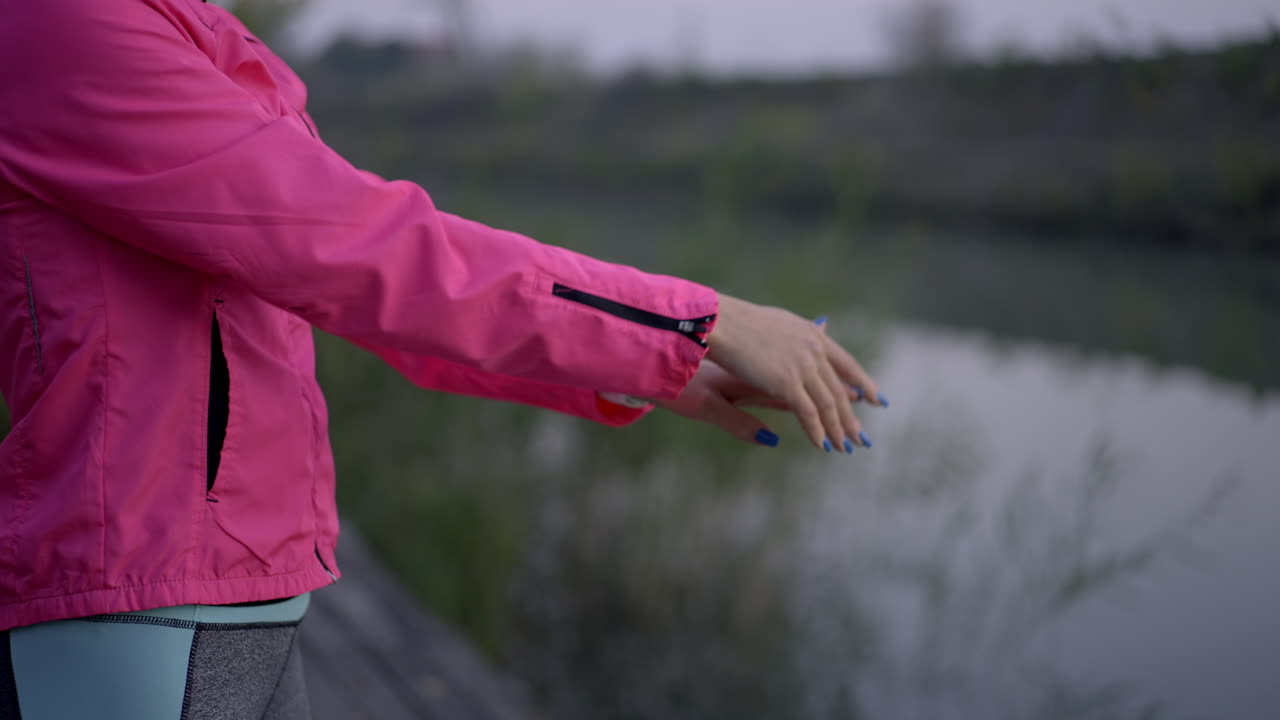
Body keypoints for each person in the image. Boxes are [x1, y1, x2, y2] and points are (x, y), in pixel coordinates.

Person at [0, 0, 885, 717]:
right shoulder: (69, 25)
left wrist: (648, 364)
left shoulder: (182, 25)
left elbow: (366, 299)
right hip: (137, 594)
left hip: (248, 587)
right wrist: (699, 318)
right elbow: (368, 251)